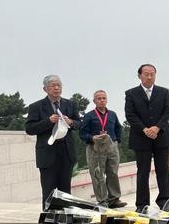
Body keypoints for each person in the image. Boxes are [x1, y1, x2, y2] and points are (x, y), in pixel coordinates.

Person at [25, 75, 81, 209]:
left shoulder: (70, 104)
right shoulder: (36, 106)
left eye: (59, 85)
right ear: (45, 89)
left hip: (66, 153)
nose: (57, 88)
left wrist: (71, 122)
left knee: (65, 189)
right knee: (49, 189)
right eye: (53, 86)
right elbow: (29, 129)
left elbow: (79, 124)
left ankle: (66, 217)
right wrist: (48, 121)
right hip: (47, 154)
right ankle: (48, 218)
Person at [125, 64, 169, 213]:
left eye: (152, 74)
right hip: (141, 138)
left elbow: (167, 112)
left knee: (163, 170)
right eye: (146, 74)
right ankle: (142, 204)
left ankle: (164, 201)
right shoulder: (131, 94)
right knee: (143, 172)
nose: (149, 77)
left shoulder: (163, 92)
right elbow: (130, 115)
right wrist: (144, 129)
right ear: (139, 75)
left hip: (161, 136)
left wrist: (157, 127)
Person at [79, 90, 127, 208]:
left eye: (104, 98)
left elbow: (118, 128)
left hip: (111, 147)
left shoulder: (112, 114)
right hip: (95, 148)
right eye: (99, 98)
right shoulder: (89, 116)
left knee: (113, 172)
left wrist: (116, 141)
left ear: (107, 100)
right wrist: (91, 138)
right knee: (97, 174)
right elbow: (82, 133)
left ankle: (114, 199)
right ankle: (102, 200)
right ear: (94, 101)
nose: (102, 100)